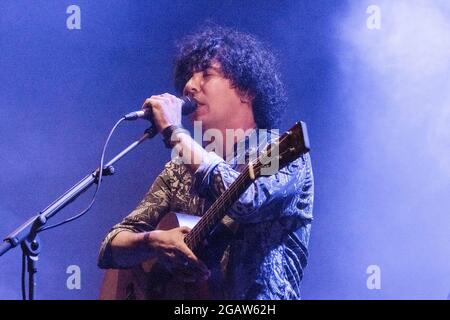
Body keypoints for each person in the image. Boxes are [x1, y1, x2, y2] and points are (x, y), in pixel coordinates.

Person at [98, 25, 314, 300]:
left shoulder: (279, 151)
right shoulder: (178, 170)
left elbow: (247, 201)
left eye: (206, 74)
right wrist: (153, 242)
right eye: (188, 77)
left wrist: (175, 133)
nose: (189, 85)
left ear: (246, 90)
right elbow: (110, 247)